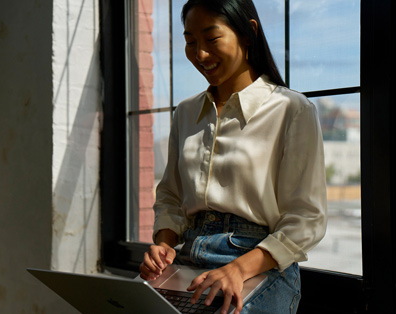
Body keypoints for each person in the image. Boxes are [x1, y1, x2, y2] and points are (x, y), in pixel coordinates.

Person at [139, 0, 327, 313]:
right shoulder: (185, 113)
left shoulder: (292, 110)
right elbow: (171, 195)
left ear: (248, 33)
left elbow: (306, 218)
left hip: (259, 264)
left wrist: (238, 269)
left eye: (212, 39)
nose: (199, 54)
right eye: (190, 42)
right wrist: (163, 245)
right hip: (189, 256)